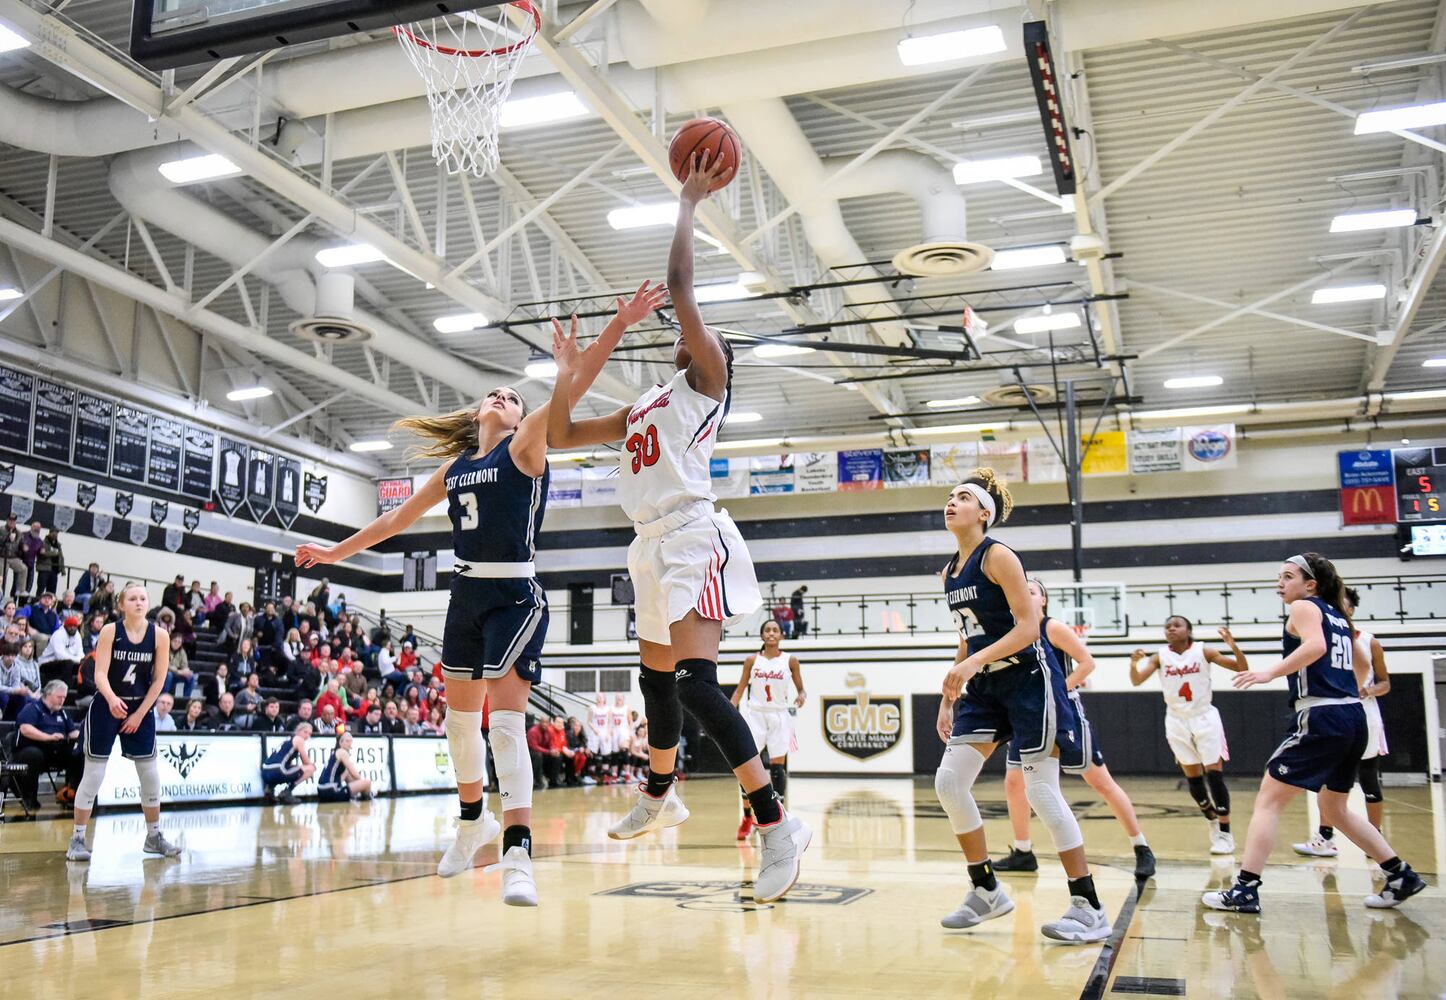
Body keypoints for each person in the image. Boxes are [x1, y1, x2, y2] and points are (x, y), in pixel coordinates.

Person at [295, 285, 660, 906]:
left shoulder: (526, 446)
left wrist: (618, 325)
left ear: (520, 420)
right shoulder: (456, 467)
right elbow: (392, 524)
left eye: (514, 397)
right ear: (477, 412)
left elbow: (571, 386)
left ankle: (518, 853)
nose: (505, 397)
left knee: (506, 728)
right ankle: (473, 820)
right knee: (458, 727)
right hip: (464, 596)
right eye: (497, 393)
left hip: (515, 597)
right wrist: (334, 553)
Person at [546, 157, 808, 903]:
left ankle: (776, 827)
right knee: (653, 678)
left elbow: (685, 289)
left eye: (706, 334)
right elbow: (560, 431)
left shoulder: (706, 387)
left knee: (694, 682)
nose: (695, 331)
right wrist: (570, 369)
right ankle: (663, 790)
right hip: (646, 542)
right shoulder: (641, 407)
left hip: (694, 534)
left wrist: (688, 204)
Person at [933, 470, 1110, 942]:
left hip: (1030, 681)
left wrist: (972, 665)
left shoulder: (1000, 556)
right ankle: (987, 890)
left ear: (984, 513)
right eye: (950, 496)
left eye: (964, 497)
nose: (952, 502)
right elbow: (967, 637)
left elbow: (1030, 628)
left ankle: (1088, 904)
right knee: (949, 782)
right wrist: (949, 695)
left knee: (1041, 791)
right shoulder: (949, 570)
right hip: (985, 689)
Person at [1204, 553, 1426, 912]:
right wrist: (1347, 690)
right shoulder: (1338, 615)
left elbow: (1317, 647)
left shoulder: (1306, 608)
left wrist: (1269, 673)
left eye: (1288, 576)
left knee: (1269, 800)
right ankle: (1400, 874)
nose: (1281, 582)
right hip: (1352, 715)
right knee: (1334, 807)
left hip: (1323, 715)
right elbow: (1362, 661)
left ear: (1311, 585)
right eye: (1280, 576)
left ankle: (1245, 889)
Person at [993, 581, 1156, 879]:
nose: (1026, 594)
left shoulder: (1052, 628)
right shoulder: (1013, 632)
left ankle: (1141, 846)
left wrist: (1056, 691)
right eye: (1022, 590)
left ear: (1043, 599)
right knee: (1014, 783)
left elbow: (1086, 663)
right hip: (1027, 717)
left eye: (1032, 591)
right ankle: (1023, 851)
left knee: (1100, 782)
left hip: (1063, 712)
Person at [66, 582, 182, 862]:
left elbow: (159, 681)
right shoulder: (110, 631)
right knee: (94, 774)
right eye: (132, 598)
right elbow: (100, 674)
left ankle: (154, 836)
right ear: (121, 605)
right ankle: (78, 839)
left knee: (150, 775)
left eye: (143, 598)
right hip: (108, 705)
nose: (139, 603)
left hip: (140, 707)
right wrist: (111, 699)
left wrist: (141, 713)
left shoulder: (160, 636)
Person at [1129, 615, 1249, 855]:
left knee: (1214, 774)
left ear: (1188, 630)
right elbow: (1137, 681)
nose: (1171, 629)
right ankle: (1212, 820)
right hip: (1176, 720)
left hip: (1204, 716)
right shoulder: (1160, 656)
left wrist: (1234, 646)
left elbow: (1241, 668)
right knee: (1193, 779)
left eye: (1176, 625)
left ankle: (1225, 832)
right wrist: (1133, 664)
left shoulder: (1205, 651)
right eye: (1167, 626)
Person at [1295, 585, 1392, 858]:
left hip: (1364, 713)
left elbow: (1385, 682)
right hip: (1333, 715)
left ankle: (1375, 840)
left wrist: (1369, 689)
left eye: (1343, 603)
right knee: (1327, 779)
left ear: (1350, 609)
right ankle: (1325, 838)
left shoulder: (1369, 641)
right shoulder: (1319, 637)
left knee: (1369, 778)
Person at [731, 620, 806, 840]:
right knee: (747, 768)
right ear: (762, 636)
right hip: (755, 715)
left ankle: (778, 817)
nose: (771, 633)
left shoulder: (790, 661)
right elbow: (740, 688)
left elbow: (802, 689)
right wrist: (729, 708)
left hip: (779, 715)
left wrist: (801, 696)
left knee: (777, 768)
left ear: (782, 635)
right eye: (767, 630)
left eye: (775, 630)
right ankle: (746, 817)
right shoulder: (752, 660)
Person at [13, 680, 82, 808]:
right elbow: (26, 729)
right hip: (30, 749)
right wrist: (48, 737)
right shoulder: (33, 708)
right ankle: (29, 799)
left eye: (64, 697)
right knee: (34, 754)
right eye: (59, 697)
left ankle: (71, 793)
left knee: (78, 753)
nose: (62, 701)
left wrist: (86, 736)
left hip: (54, 751)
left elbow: (72, 733)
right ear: (48, 695)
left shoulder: (62, 713)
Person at [263, 723, 315, 804]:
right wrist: (312, 764)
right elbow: (306, 762)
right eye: (305, 732)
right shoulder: (299, 739)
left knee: (293, 767)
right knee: (311, 768)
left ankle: (269, 789)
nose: (307, 736)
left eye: (310, 734)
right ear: (298, 731)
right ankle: (287, 792)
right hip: (277, 771)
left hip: (265, 772)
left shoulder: (288, 740)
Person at [317, 730, 373, 802]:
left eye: (351, 741)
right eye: (347, 741)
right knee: (367, 783)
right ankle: (366, 797)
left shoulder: (335, 752)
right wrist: (362, 785)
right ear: (340, 742)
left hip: (321, 791)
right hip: (331, 790)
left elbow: (347, 775)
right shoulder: (342, 752)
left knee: (346, 771)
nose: (349, 743)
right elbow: (355, 775)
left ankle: (354, 794)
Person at [40, 616, 84, 683]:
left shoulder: (77, 635)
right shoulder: (58, 634)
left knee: (83, 664)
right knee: (68, 663)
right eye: (70, 626)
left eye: (75, 626)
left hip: (67, 662)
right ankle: (66, 687)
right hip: (47, 663)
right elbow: (60, 656)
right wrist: (77, 659)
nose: (72, 628)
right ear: (65, 626)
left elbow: (80, 652)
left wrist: (82, 660)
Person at [2, 514, 26, 599]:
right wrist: (8, 538)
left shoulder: (19, 532)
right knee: (2, 574)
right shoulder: (1, 529)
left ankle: (21, 590)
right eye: (10, 520)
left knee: (23, 568)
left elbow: (21, 543)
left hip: (13, 557)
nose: (12, 522)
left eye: (14, 520)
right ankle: (1, 592)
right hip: (2, 557)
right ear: (7, 520)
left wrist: (24, 547)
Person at [36, 528, 63, 599]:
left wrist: (62, 570)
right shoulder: (43, 543)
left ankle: (50, 606)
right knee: (41, 590)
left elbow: (61, 557)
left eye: (56, 533)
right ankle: (37, 603)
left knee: (52, 592)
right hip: (44, 569)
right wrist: (54, 553)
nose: (55, 535)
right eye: (53, 533)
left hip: (54, 570)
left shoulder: (58, 545)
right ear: (49, 533)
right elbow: (42, 554)